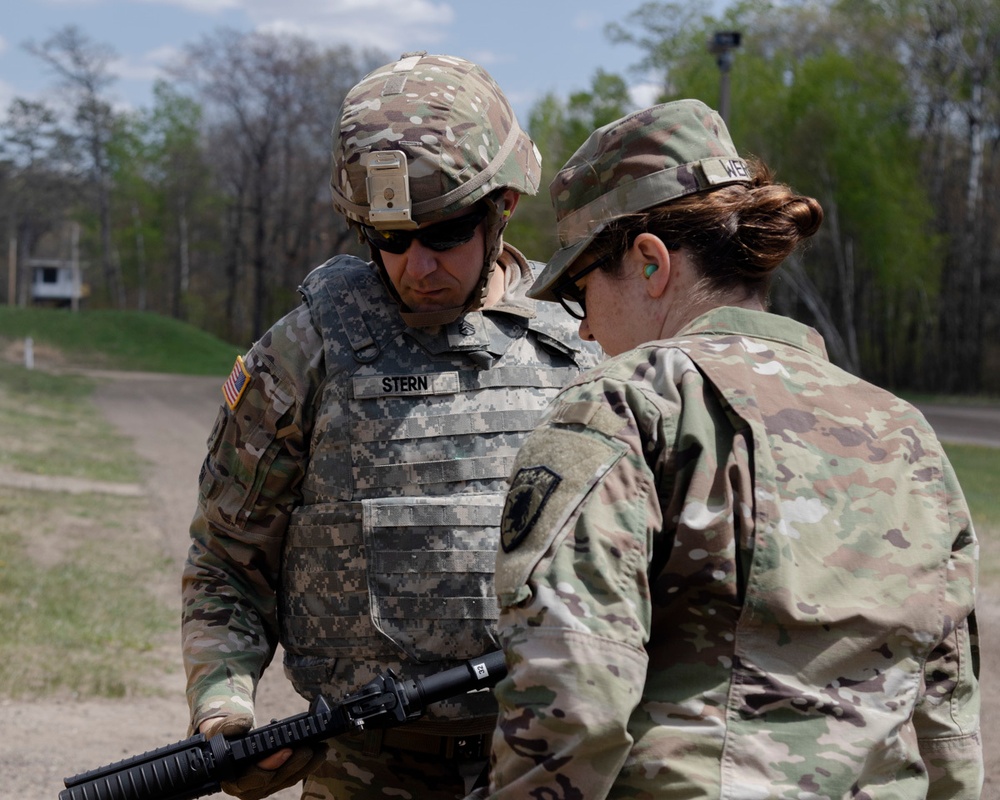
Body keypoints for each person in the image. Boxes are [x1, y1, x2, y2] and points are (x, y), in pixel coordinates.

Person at [477, 99, 982, 798]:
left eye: (584, 290)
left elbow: (569, 698)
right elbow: (947, 715)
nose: (584, 329)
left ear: (650, 263)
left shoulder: (626, 403)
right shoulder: (904, 429)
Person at [180, 52, 599, 800]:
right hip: (362, 766)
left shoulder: (586, 347)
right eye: (390, 240)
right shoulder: (308, 351)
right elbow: (227, 558)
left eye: (443, 235)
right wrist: (224, 704)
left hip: (545, 762)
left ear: (501, 207)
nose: (416, 266)